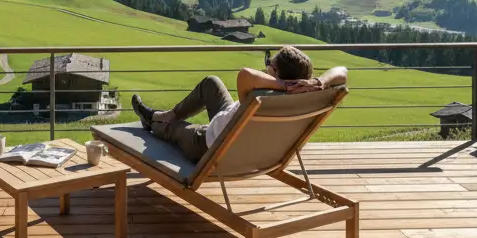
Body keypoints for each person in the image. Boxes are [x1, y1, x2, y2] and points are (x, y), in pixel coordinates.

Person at [130, 45, 347, 161]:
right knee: (211, 83)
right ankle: (167, 114)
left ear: (276, 73)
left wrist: (281, 84)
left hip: (209, 144)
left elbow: (245, 74)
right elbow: (342, 72)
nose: (266, 66)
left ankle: (153, 120)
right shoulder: (303, 96)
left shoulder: (265, 94)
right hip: (231, 124)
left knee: (174, 129)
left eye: (269, 64)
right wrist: (318, 82)